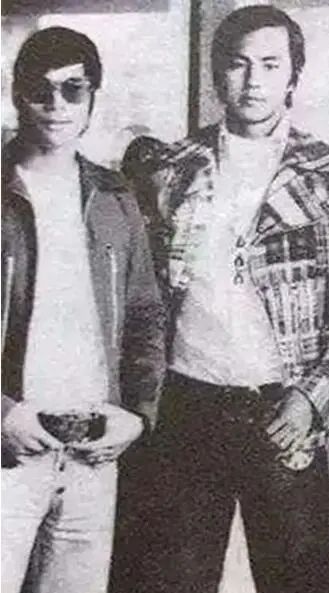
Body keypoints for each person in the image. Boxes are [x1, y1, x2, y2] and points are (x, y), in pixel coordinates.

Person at [122, 6, 329, 592]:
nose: (253, 81)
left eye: (270, 64)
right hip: (186, 406)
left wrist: (314, 398)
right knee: (171, 580)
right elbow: (144, 306)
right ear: (218, 74)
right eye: (238, 65)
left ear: (293, 75)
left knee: (299, 580)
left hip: (285, 408)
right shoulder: (170, 169)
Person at [1, 26, 165, 593]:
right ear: (17, 94)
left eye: (73, 89)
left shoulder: (115, 197)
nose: (57, 105)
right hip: (9, 449)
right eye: (40, 90)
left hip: (93, 452)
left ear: (93, 97)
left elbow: (145, 315)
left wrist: (136, 414)